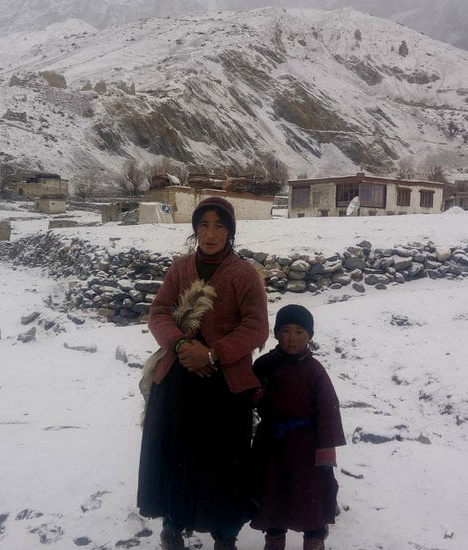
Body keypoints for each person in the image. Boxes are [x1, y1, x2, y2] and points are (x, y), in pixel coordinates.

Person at [137, 196, 270, 550]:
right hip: (179, 378)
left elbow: (257, 327)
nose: (210, 234)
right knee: (175, 456)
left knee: (224, 464)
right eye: (204, 225)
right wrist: (181, 346)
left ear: (230, 231)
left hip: (224, 384)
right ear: (195, 229)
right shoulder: (181, 268)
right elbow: (159, 313)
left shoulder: (243, 274)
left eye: (219, 225)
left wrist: (212, 352)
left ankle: (225, 534)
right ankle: (173, 524)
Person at [250, 304, 346, 550]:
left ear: (309, 336)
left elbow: (328, 412)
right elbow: (247, 398)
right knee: (273, 497)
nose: (291, 338)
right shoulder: (263, 365)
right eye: (285, 330)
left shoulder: (315, 371)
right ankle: (274, 542)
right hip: (270, 445)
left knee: (310, 502)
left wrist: (325, 456)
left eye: (299, 332)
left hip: (306, 449)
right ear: (276, 333)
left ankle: (314, 542)